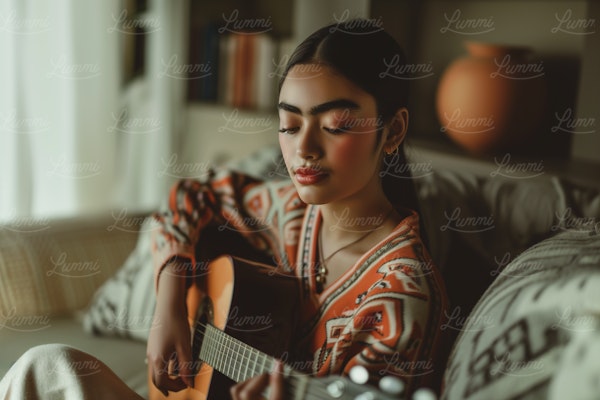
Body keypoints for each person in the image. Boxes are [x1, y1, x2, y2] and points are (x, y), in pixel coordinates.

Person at [0, 19, 448, 400]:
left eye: (335, 126)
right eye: (289, 125)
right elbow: (191, 197)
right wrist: (171, 302)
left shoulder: (401, 300)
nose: (304, 149)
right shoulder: (288, 212)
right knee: (48, 366)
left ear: (393, 131)